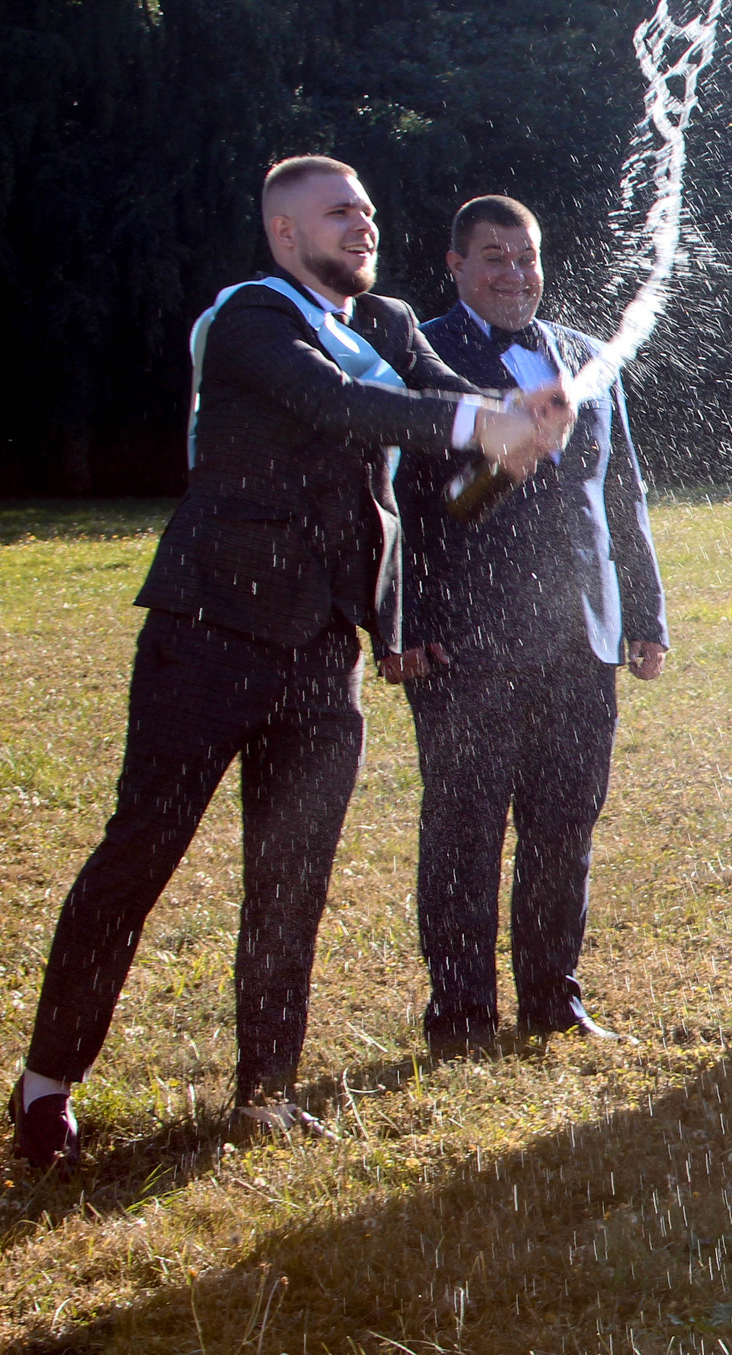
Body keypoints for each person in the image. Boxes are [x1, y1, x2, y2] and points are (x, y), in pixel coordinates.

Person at [12, 157, 568, 1167]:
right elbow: (338, 407)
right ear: (282, 232)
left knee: (293, 879)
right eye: (336, 213)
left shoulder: (391, 325)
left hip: (326, 657)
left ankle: (263, 1094)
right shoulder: (253, 320)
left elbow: (449, 414)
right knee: (139, 858)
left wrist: (520, 420)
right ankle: (48, 1085)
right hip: (207, 638)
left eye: (365, 209)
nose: (362, 224)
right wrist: (476, 422)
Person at [386, 195, 669, 1059]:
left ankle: (554, 998)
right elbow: (403, 500)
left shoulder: (585, 357)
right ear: (456, 264)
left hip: (581, 632)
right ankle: (460, 1012)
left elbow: (622, 494)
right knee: (464, 828)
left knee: (564, 824)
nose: (514, 273)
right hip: (463, 638)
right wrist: (405, 620)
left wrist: (645, 612)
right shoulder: (422, 353)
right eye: (494, 257)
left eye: (527, 257)